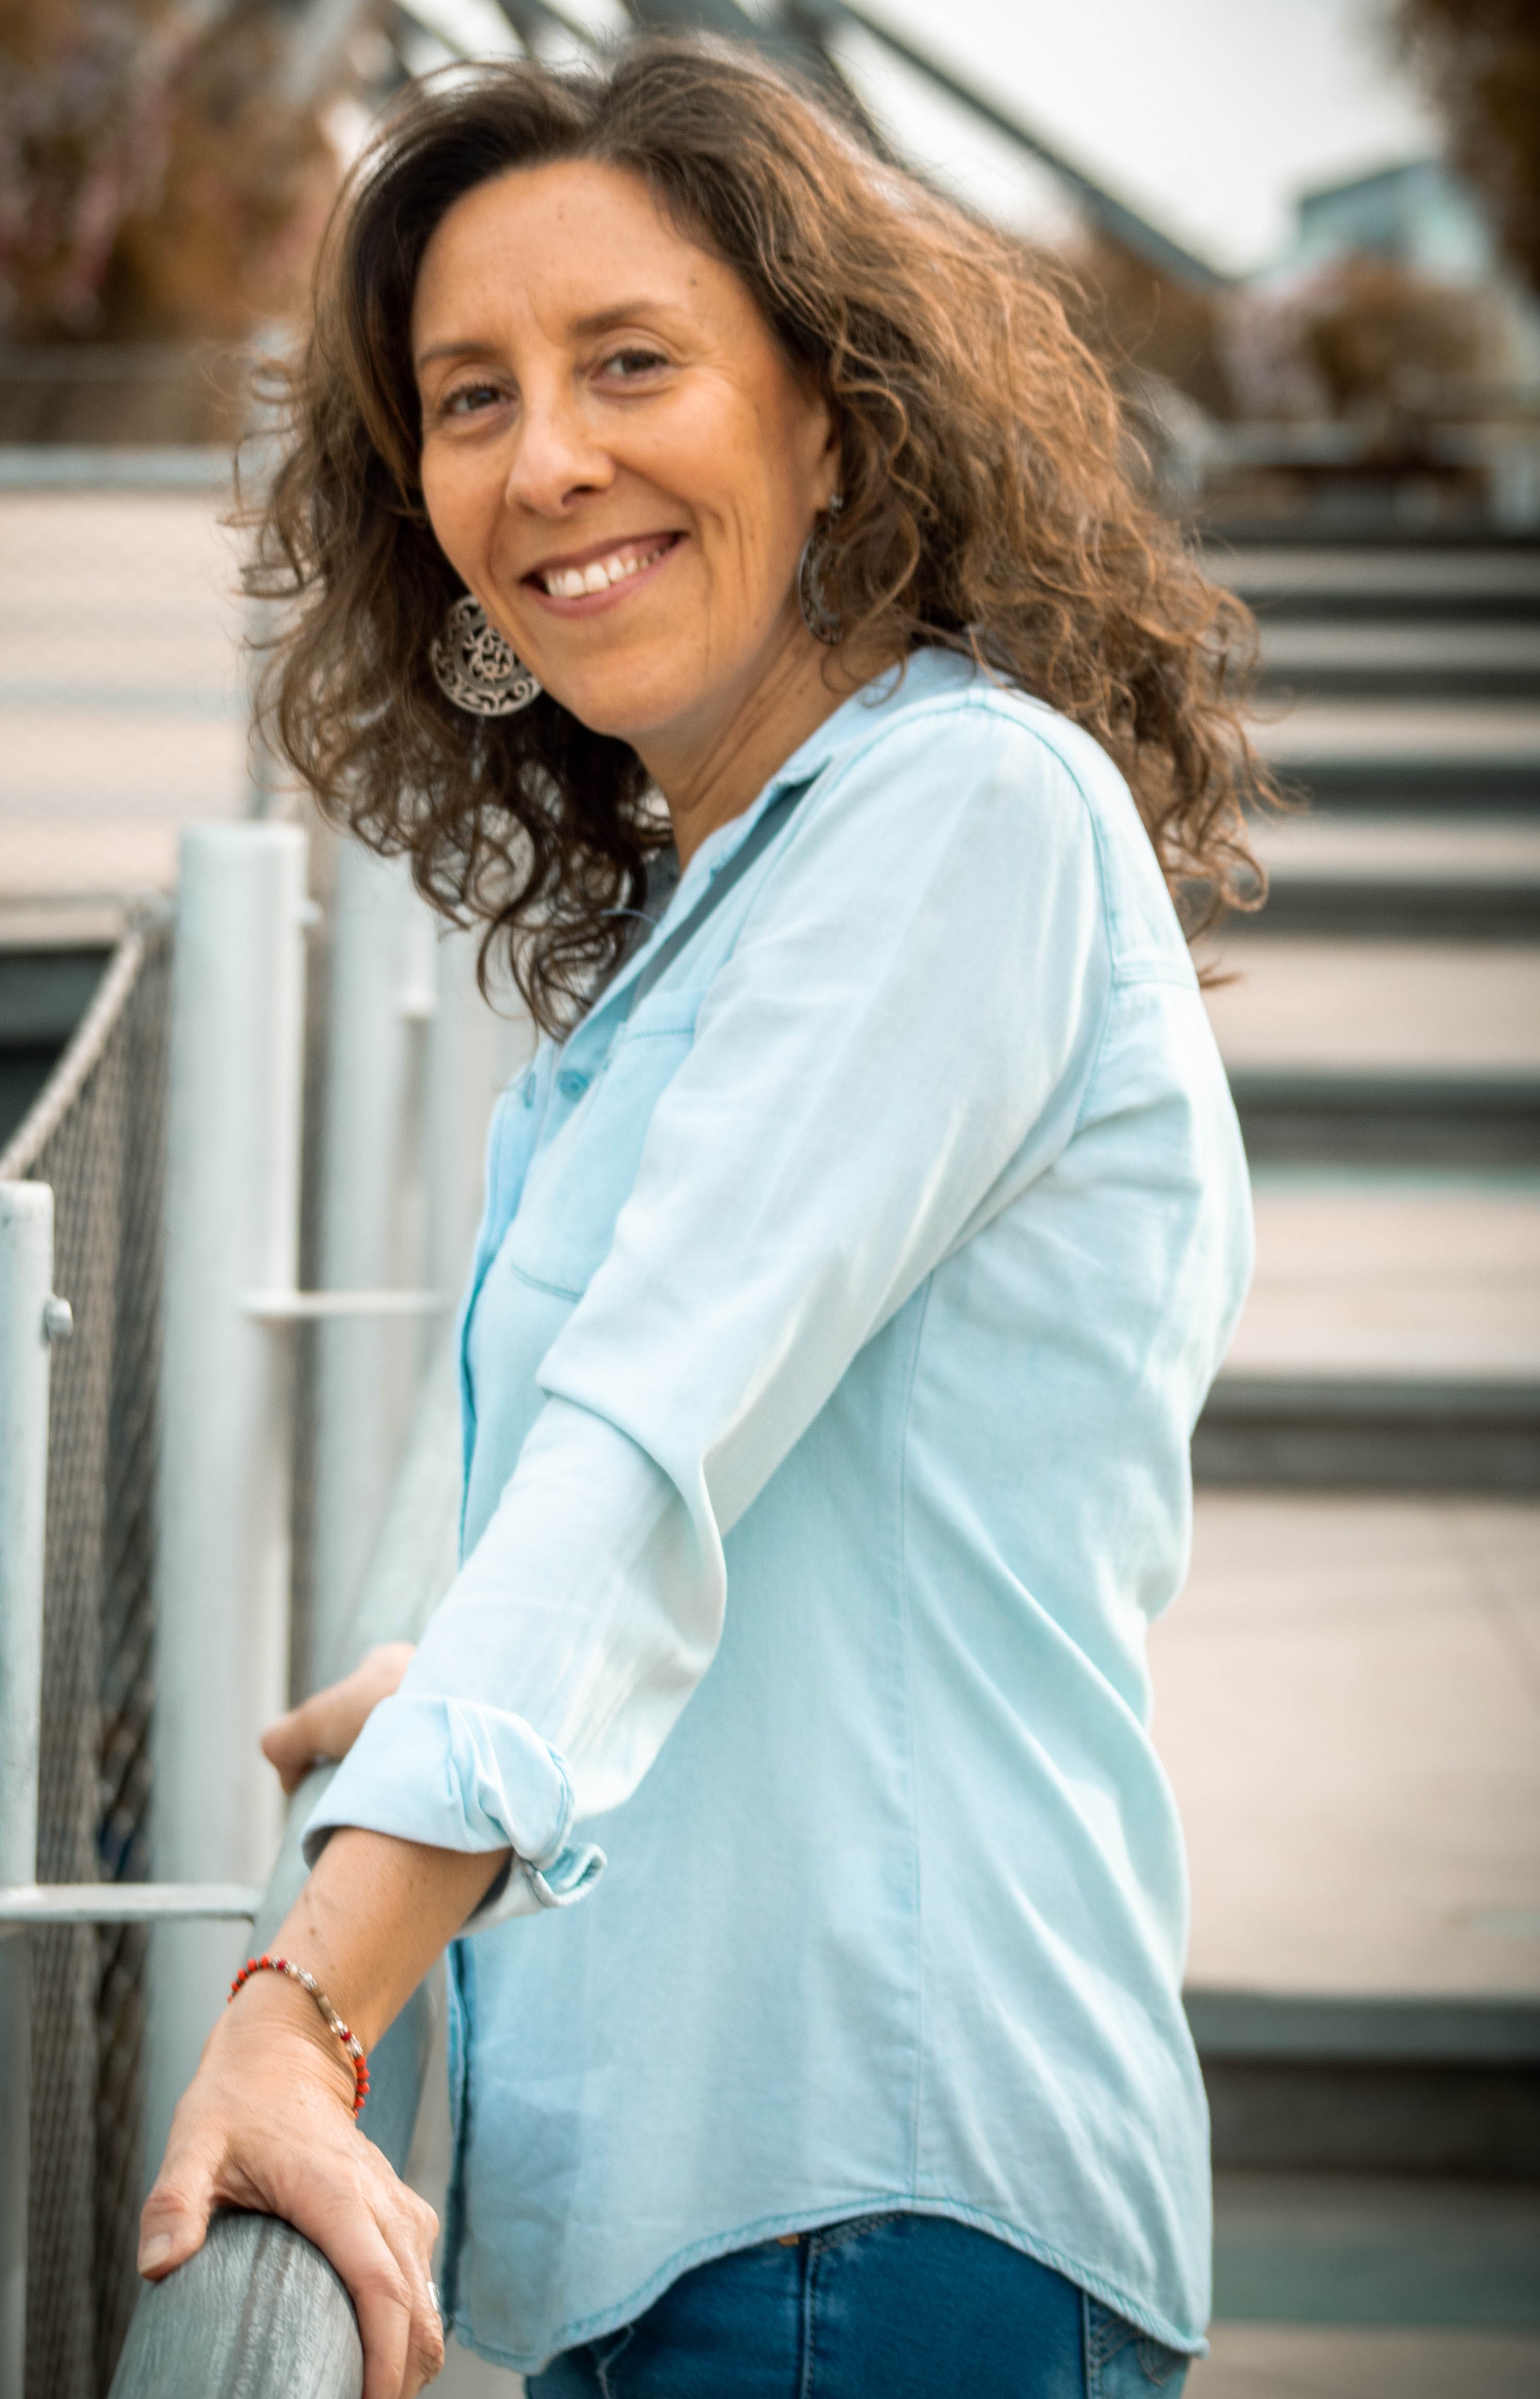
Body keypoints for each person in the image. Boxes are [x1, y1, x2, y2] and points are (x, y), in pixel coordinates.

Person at [139, 38, 1262, 2399]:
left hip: (874, 2222)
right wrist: (465, 1692)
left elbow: (646, 1455)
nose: (545, 459)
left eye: (630, 363)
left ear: (837, 421)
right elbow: (773, 1502)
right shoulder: (740, 891)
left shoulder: (957, 822)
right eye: (470, 397)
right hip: (739, 2235)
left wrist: (298, 2008)